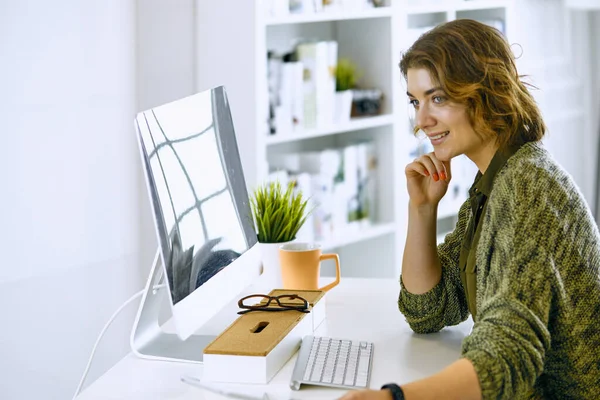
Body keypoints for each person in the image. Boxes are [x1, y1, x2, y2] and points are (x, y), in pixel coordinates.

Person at [340, 19, 600, 400]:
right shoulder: (495, 181)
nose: (421, 121)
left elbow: (508, 356)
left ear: (486, 91)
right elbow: (428, 309)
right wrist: (422, 209)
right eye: (416, 101)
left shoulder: (525, 187)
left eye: (438, 98)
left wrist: (392, 398)